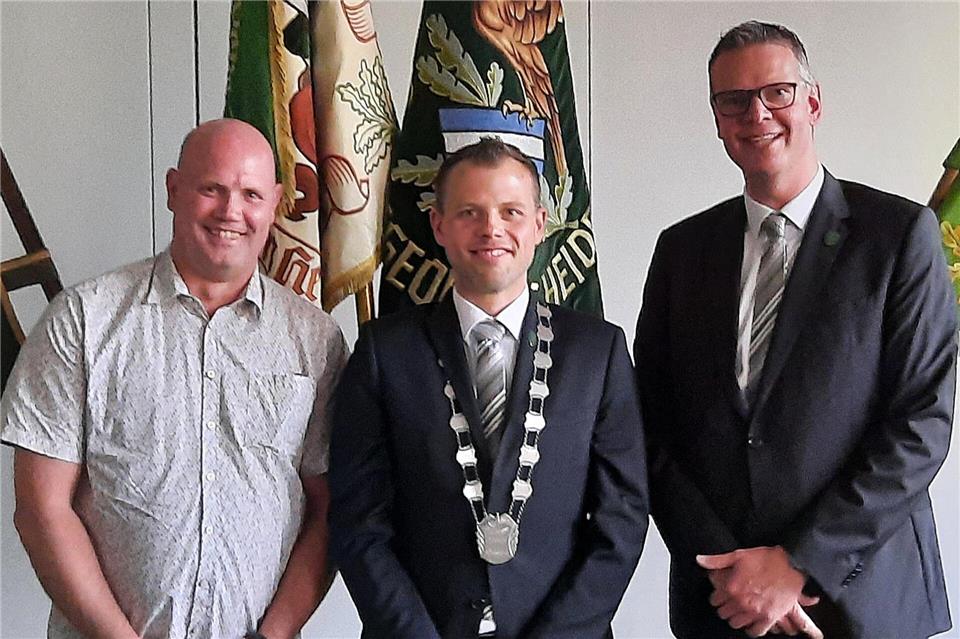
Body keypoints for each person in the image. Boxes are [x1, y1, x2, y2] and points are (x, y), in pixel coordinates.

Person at [635, 20, 957, 639]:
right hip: (721, 603)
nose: (756, 113)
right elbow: (650, 423)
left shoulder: (899, 236)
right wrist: (729, 571)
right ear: (717, 119)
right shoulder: (681, 250)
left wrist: (798, 564)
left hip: (864, 601)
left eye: (776, 92)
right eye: (733, 101)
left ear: (812, 102)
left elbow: (920, 423)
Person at [0, 119, 348, 639]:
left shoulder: (316, 341)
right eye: (212, 188)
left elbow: (328, 509)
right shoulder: (83, 320)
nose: (232, 211)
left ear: (275, 204)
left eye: (251, 194)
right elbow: (40, 508)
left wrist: (274, 636)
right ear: (173, 190)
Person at [328, 137, 648, 638]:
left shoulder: (598, 353)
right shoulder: (383, 353)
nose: (491, 228)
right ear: (438, 225)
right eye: (469, 212)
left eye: (511, 211)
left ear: (540, 224)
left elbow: (622, 521)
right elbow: (359, 522)